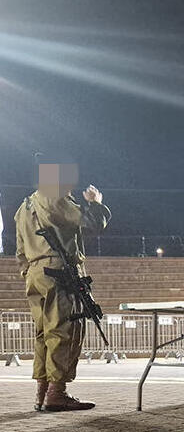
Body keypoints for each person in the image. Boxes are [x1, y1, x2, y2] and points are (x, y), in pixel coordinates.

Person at [15, 164, 110, 411]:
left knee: (43, 334)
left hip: (35, 274)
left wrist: (30, 271)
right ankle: (57, 393)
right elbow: (92, 223)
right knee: (64, 330)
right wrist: (96, 203)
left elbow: (20, 251)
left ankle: (42, 394)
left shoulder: (24, 207)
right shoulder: (54, 199)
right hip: (59, 271)